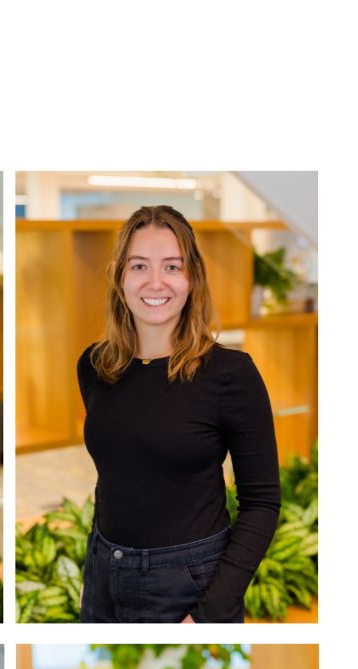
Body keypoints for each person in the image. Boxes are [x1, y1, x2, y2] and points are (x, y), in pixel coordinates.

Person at [77, 206, 279, 623]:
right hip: (102, 571)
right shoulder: (95, 365)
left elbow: (262, 503)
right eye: (139, 266)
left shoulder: (230, 374)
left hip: (189, 581)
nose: (155, 282)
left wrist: (208, 614)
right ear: (118, 275)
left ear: (192, 278)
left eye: (172, 266)